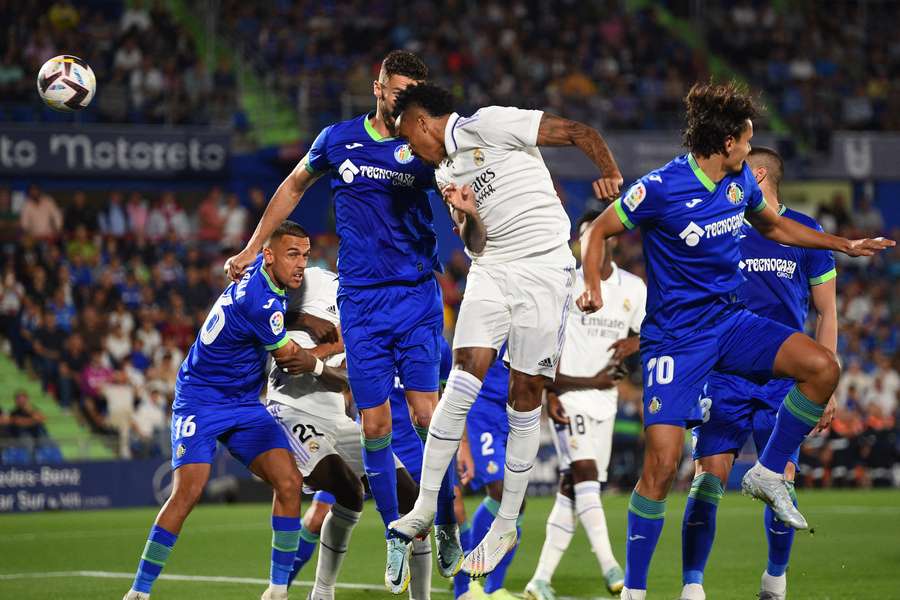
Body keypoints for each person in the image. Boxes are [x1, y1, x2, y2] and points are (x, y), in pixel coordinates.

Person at [576, 81, 893, 600]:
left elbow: (777, 229)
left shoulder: (740, 180)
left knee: (821, 368)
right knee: (660, 463)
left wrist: (844, 244)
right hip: (676, 341)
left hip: (730, 324)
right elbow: (598, 232)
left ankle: (769, 471)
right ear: (727, 143)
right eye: (746, 139)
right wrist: (591, 284)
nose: (751, 148)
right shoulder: (661, 187)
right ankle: (635, 590)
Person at [225, 51, 458, 594]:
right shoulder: (337, 139)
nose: (403, 104)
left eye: (412, 96)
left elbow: (460, 196)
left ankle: (445, 523)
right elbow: (291, 187)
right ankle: (399, 532)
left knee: (427, 419)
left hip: (417, 296)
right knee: (375, 426)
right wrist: (253, 246)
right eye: (397, 93)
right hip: (363, 301)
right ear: (378, 87)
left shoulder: (426, 146)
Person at [388, 82, 623, 578]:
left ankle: (507, 523)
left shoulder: (490, 123)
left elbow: (577, 131)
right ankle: (427, 505)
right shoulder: (444, 172)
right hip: (492, 269)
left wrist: (609, 171)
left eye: (406, 132)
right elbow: (474, 239)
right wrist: (470, 213)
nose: (406, 145)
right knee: (463, 375)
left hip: (543, 269)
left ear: (423, 120)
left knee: (526, 392)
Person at [123, 221, 328, 600]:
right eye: (292, 254)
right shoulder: (262, 301)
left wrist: (303, 319)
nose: (301, 264)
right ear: (269, 255)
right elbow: (290, 360)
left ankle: (278, 591)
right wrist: (334, 348)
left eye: (306, 255)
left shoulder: (259, 276)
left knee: (289, 483)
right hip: (201, 401)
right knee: (187, 493)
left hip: (245, 404)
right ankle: (139, 591)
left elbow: (268, 313)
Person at [679, 147, 838, 600]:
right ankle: (692, 587)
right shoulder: (722, 226)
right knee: (707, 475)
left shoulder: (805, 231)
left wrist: (826, 385)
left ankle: (775, 582)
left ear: (760, 174)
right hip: (724, 372)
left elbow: (827, 313)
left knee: (780, 478)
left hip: (785, 375)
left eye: (740, 168)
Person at [526, 209, 646, 599]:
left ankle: (540, 580)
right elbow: (543, 346)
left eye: (594, 235)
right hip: (569, 397)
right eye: (580, 238)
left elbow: (652, 333)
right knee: (586, 474)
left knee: (572, 486)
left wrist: (636, 342)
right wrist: (549, 392)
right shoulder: (566, 286)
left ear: (611, 238)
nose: (585, 245)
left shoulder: (633, 289)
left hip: (605, 400)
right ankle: (613, 569)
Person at [455, 350, 523, 599]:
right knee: (499, 490)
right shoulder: (494, 315)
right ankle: (470, 578)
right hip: (483, 411)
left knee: (518, 501)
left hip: (514, 411)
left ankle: (495, 586)